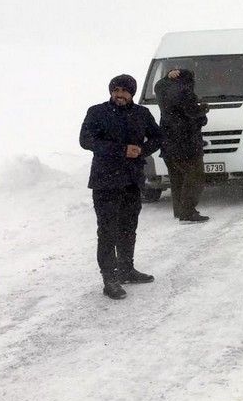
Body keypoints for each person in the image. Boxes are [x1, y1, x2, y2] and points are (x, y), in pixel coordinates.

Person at [79, 74, 163, 300]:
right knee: (107, 231)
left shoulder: (141, 114)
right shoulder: (97, 112)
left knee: (128, 228)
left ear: (132, 94)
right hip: (105, 182)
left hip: (131, 180)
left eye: (125, 91)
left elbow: (157, 137)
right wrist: (121, 149)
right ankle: (110, 278)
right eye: (116, 90)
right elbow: (86, 140)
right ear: (111, 91)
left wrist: (142, 151)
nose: (120, 95)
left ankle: (127, 270)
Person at [155, 68, 209, 222]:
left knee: (177, 179)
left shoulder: (161, 89)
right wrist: (203, 110)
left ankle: (179, 210)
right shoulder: (185, 92)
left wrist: (167, 76)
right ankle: (188, 212)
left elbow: (159, 84)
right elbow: (192, 113)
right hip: (187, 144)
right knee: (195, 178)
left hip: (168, 144)